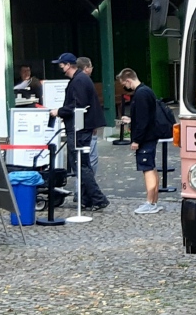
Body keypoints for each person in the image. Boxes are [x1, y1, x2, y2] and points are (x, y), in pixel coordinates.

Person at [48, 52, 109, 211]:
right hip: (80, 127)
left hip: (78, 129)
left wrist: (59, 111)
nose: (60, 67)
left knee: (80, 164)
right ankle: (87, 199)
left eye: (61, 64)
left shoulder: (79, 80)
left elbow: (78, 105)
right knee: (83, 164)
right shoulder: (81, 79)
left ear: (68, 65)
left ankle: (98, 198)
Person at [117, 68, 163, 214]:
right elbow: (146, 115)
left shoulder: (141, 94)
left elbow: (143, 119)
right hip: (151, 135)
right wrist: (132, 119)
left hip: (146, 138)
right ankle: (154, 201)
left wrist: (136, 140)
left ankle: (150, 202)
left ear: (128, 80)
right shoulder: (146, 91)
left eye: (124, 83)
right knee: (151, 167)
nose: (125, 86)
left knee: (147, 169)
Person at [76, 57, 101, 175]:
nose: (92, 69)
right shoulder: (85, 81)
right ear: (86, 68)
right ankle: (88, 186)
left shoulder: (78, 80)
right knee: (91, 157)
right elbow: (90, 104)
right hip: (87, 126)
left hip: (83, 126)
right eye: (91, 67)